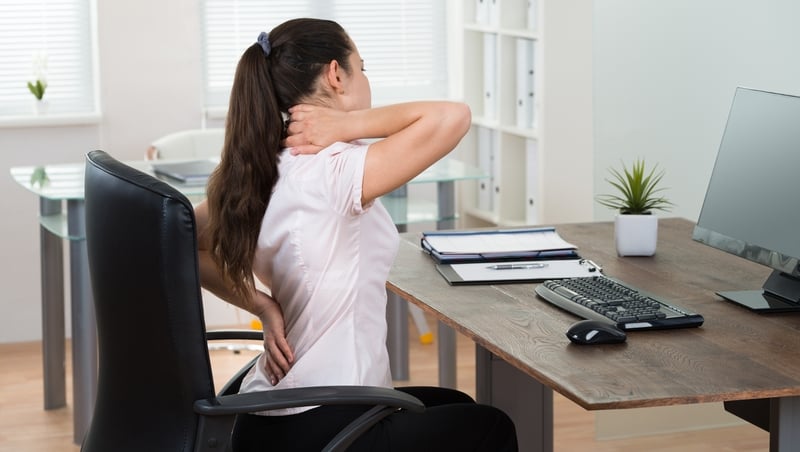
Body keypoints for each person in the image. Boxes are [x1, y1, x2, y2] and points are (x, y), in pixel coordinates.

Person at [194, 17, 518, 451]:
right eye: (362, 68)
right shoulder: (334, 168)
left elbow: (173, 242)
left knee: (454, 405)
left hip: (263, 417)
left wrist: (263, 306)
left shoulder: (256, 169)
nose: (366, 80)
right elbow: (452, 117)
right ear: (335, 75)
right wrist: (346, 125)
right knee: (492, 427)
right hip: (329, 419)